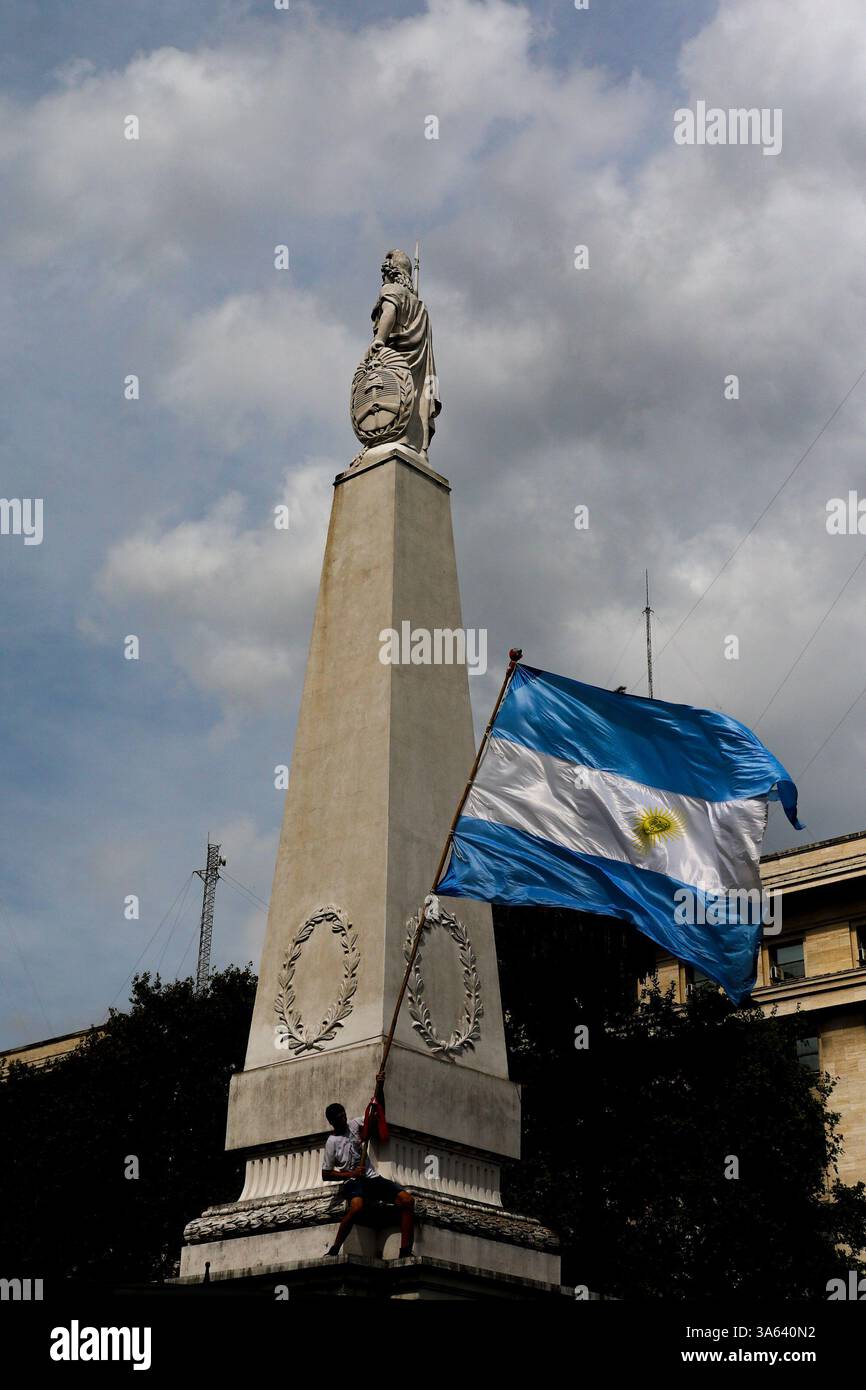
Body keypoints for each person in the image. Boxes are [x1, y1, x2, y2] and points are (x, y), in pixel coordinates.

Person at [322, 1100, 414, 1258]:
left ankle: (405, 1251)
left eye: (344, 1116)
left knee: (407, 1201)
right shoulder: (332, 1142)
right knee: (356, 1207)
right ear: (332, 1122)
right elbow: (326, 1174)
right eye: (339, 1119)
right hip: (353, 1182)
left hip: (372, 1178)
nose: (344, 1121)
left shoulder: (355, 1124)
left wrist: (380, 1089)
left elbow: (377, 1114)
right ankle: (336, 1247)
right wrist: (352, 1174)